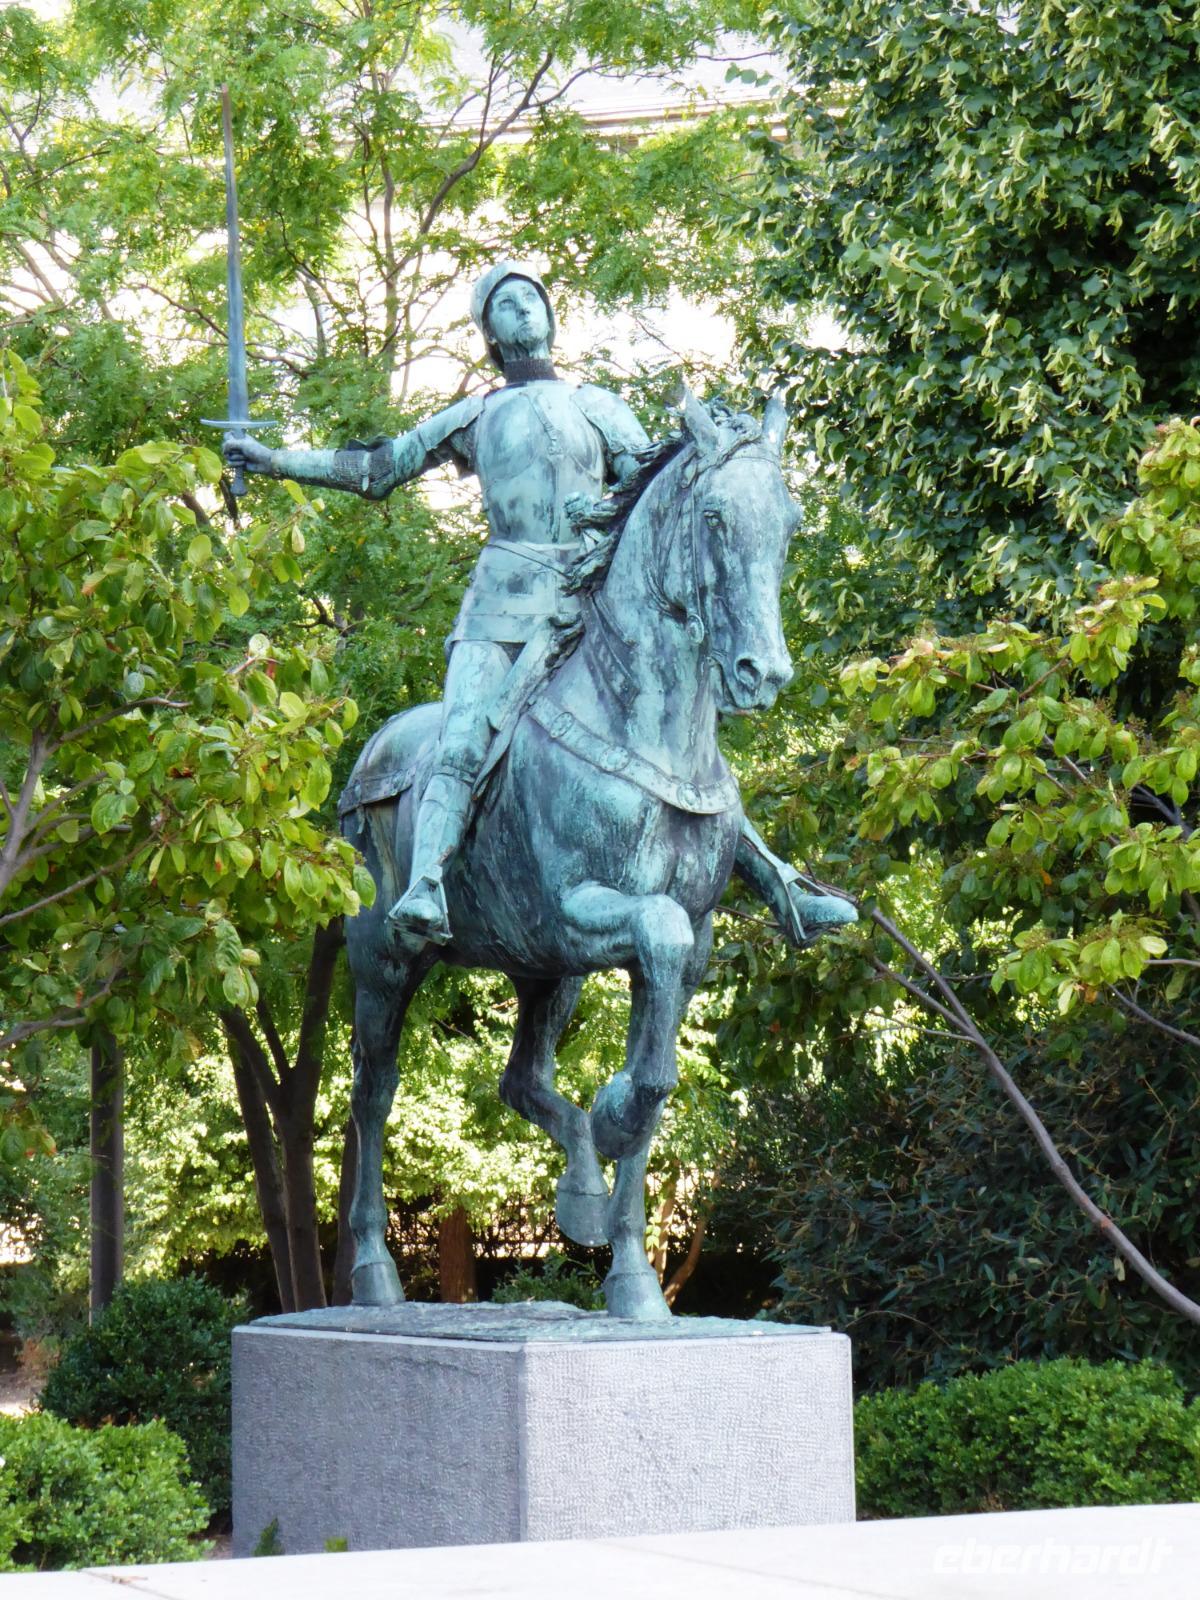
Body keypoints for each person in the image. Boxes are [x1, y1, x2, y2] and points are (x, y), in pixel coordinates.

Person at [225, 260, 854, 946]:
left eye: (532, 299)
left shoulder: (599, 405)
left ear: (552, 318)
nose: (523, 309)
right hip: (501, 609)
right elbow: (379, 469)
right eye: (505, 303)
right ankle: (428, 882)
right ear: (489, 333)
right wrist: (271, 459)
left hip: (591, 607)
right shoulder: (477, 414)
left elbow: (655, 492)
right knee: (463, 737)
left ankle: (779, 885)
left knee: (677, 738)